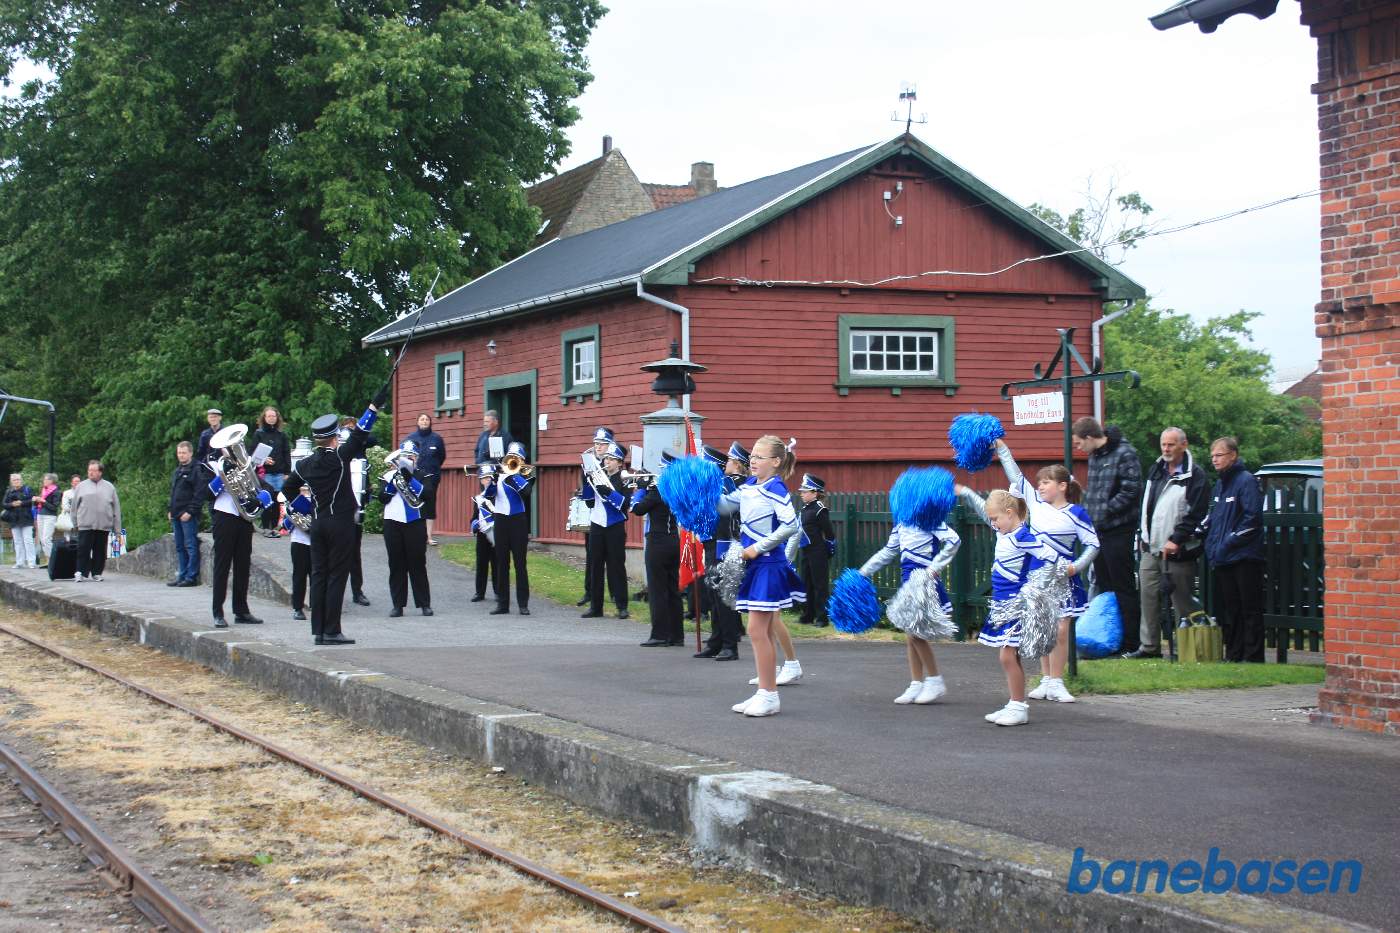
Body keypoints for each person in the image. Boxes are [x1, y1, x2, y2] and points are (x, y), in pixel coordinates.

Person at [282, 388, 388, 646]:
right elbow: (361, 432)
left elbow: (287, 489)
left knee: (318, 575)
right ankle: (332, 630)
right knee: (337, 575)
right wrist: (374, 406)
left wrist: (304, 507)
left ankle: (317, 630)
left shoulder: (305, 464)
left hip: (317, 523)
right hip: (340, 523)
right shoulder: (340, 458)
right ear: (334, 439)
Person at [995, 440, 1099, 704]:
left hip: (1063, 577)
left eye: (1046, 482)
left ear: (1062, 486)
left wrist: (1077, 566)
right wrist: (1002, 448)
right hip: (1036, 575)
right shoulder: (1035, 505)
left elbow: (1093, 544)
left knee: (1062, 630)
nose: (1040, 486)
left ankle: (1057, 681)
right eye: (1039, 483)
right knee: (1042, 627)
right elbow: (1015, 475)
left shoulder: (1076, 513)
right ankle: (1044, 679)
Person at [957, 486, 1055, 727]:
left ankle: (1019, 706)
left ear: (1010, 513)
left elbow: (1051, 556)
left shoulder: (1022, 537)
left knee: (1007, 655)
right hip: (1002, 604)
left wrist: (1033, 589)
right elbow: (983, 510)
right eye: (991, 519)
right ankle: (1015, 703)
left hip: (1016, 605)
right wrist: (966, 491)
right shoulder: (1004, 532)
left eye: (996, 519)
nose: (992, 523)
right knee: (1009, 655)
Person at [722, 435, 804, 718]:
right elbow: (723, 506)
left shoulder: (775, 487)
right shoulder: (748, 486)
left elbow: (791, 525)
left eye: (759, 457)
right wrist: (693, 491)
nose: (752, 461)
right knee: (764, 630)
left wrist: (758, 547)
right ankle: (764, 692)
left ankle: (769, 695)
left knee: (756, 630)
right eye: (752, 456)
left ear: (776, 461)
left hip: (769, 564)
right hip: (756, 565)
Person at [858, 498, 960, 706]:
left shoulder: (930, 519)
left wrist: (934, 568)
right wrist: (863, 572)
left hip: (924, 582)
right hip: (907, 582)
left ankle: (934, 680)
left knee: (916, 634)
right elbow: (888, 551)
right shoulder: (901, 523)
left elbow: (954, 540)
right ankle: (916, 683)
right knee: (910, 634)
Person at [1130, 427, 1209, 659]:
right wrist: (1144, 536)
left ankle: (1187, 647)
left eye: (1171, 444)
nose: (1166, 449)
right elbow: (1148, 506)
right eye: (1163, 444)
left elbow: (1196, 513)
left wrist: (1176, 540)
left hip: (1178, 550)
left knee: (1181, 599)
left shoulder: (1195, 475)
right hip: (1150, 546)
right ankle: (1149, 646)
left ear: (1183, 445)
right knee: (1148, 597)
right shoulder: (1156, 469)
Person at [1071, 417, 1143, 654]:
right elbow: (1094, 491)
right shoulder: (1095, 457)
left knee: (1123, 586)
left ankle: (1130, 642)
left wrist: (1104, 510)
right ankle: (1107, 638)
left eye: (1079, 443)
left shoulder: (1125, 453)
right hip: (1099, 529)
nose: (1078, 448)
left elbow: (1131, 490)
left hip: (1119, 529)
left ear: (1090, 438)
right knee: (1103, 586)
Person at [191, 429, 268, 629]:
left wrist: (265, 494)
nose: (230, 448)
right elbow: (204, 494)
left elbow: (261, 485)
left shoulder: (241, 464)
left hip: (243, 518)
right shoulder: (210, 466)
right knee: (222, 565)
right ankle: (218, 612)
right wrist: (222, 480)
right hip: (224, 517)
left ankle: (241, 610)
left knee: (243, 565)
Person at [1198, 437, 1266, 663]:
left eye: (1219, 455)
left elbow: (1252, 518)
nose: (1214, 460)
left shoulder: (1246, 481)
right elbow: (1214, 516)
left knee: (1250, 609)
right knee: (1231, 610)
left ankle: (1253, 656)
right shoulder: (1219, 484)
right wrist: (1204, 535)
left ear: (1233, 455)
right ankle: (1234, 654)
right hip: (1223, 557)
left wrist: (1229, 541)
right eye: (1213, 456)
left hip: (1244, 556)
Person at [694, 443, 747, 662]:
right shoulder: (719, 485)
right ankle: (716, 640)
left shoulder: (731, 485)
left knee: (724, 595)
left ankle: (729, 645)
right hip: (712, 541)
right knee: (713, 594)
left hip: (727, 544)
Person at [378, 439, 434, 617]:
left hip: (415, 522)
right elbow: (382, 498)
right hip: (392, 523)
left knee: (418, 563)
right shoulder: (388, 476)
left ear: (416, 458)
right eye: (405, 457)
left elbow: (427, 495)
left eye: (411, 457)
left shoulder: (423, 475)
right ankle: (398, 604)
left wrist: (411, 480)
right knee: (396, 564)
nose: (408, 459)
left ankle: (424, 603)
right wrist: (393, 482)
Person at [632, 450, 682, 646]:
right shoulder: (678, 488)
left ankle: (659, 634)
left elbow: (637, 509)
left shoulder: (658, 489)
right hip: (673, 540)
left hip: (657, 541)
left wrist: (641, 489)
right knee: (672, 589)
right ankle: (676, 635)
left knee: (657, 589)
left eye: (662, 468)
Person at [580, 442, 631, 620]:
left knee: (616, 566)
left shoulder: (624, 479)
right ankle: (596, 606)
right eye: (606, 458)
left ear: (619, 463)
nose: (607, 462)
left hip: (615, 526)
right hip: (596, 525)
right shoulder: (598, 475)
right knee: (595, 566)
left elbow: (625, 504)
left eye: (611, 459)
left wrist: (608, 492)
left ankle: (622, 605)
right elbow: (589, 502)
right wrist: (586, 480)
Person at [485, 440, 532, 616]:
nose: (513, 460)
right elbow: (489, 496)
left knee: (520, 564)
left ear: (521, 460)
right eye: (511, 457)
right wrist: (493, 481)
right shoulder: (499, 475)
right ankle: (502, 603)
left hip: (518, 521)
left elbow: (527, 492)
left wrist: (512, 475)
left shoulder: (525, 475)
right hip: (501, 520)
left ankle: (523, 603)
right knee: (501, 563)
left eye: (517, 458)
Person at [577, 427, 614, 607]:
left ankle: (615, 594)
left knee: (614, 558)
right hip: (594, 513)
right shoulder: (589, 461)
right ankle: (589, 592)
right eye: (596, 443)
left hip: (611, 515)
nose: (598, 447)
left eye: (602, 444)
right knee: (592, 555)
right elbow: (585, 488)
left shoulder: (614, 463)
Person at [338, 416, 372, 608]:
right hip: (337, 512)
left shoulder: (359, 462)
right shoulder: (335, 462)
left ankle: (357, 590)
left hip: (355, 508)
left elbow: (364, 487)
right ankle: (336, 593)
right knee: (335, 553)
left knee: (354, 552)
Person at [795, 474, 836, 627]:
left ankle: (821, 618)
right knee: (806, 583)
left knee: (820, 585)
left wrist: (830, 548)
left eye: (805, 491)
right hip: (806, 551)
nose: (802, 493)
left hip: (818, 552)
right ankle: (808, 614)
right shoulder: (805, 509)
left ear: (814, 493)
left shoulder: (820, 509)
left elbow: (829, 533)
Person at [72, 460, 122, 582]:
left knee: (100, 550)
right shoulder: (81, 486)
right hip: (85, 523)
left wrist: (117, 530)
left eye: (94, 470)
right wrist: (75, 523)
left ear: (100, 472)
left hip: (103, 524)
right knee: (83, 549)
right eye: (89, 470)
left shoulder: (109, 487)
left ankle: (97, 572)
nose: (91, 473)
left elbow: (116, 508)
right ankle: (80, 572)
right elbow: (74, 507)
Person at [404, 414, 446, 545]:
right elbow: (404, 456)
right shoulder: (410, 439)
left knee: (430, 506)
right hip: (414, 478)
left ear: (430, 422)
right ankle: (414, 535)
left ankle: (428, 536)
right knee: (413, 503)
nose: (424, 421)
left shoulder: (437, 439)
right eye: (422, 419)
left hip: (432, 477)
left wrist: (433, 468)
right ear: (417, 422)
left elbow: (442, 457)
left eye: (427, 419)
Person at [166, 441, 202, 586]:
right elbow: (173, 492)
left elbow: (199, 494)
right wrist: (170, 509)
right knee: (180, 547)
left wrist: (190, 511)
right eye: (179, 453)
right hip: (176, 513)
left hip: (188, 514)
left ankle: (191, 576)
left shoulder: (196, 470)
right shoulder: (178, 470)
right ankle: (182, 575)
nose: (181, 455)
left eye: (184, 453)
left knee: (191, 546)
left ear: (190, 453)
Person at [254, 406, 291, 538]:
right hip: (265, 473)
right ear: (264, 418)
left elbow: (286, 454)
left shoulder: (282, 435)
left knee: (277, 501)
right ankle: (265, 528)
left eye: (273, 416)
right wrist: (264, 460)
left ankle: (275, 527)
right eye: (269, 416)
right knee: (266, 501)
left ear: (277, 418)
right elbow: (253, 454)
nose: (271, 418)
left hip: (279, 473)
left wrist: (287, 472)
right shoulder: (259, 434)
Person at [469, 464, 497, 602]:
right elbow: (474, 517)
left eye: (488, 478)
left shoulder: (499, 497)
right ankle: (480, 592)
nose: (486, 481)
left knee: (497, 563)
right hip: (482, 535)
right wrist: (473, 524)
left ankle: (499, 592)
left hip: (496, 534)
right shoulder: (478, 498)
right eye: (483, 478)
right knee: (481, 563)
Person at [3, 474, 38, 569]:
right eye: (14, 480)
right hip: (14, 519)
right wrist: (12, 504)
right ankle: (20, 562)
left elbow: (33, 500)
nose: (16, 481)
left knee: (28, 540)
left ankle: (31, 562)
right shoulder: (9, 491)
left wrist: (21, 503)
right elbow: (4, 504)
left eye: (18, 479)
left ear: (21, 480)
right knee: (17, 541)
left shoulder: (28, 489)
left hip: (26, 518)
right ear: (11, 481)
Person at [284, 512, 311, 622]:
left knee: (318, 576)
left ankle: (317, 605)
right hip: (299, 539)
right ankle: (298, 608)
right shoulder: (295, 497)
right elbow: (289, 515)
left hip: (319, 540)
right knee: (299, 575)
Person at [34, 473, 61, 567]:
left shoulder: (56, 491)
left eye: (46, 479)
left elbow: (54, 507)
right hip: (40, 514)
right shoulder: (44, 490)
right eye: (44, 479)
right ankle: (48, 560)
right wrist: (36, 500)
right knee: (42, 539)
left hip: (50, 516)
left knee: (46, 539)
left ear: (51, 481)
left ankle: (52, 560)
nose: (44, 481)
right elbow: (39, 505)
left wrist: (43, 501)